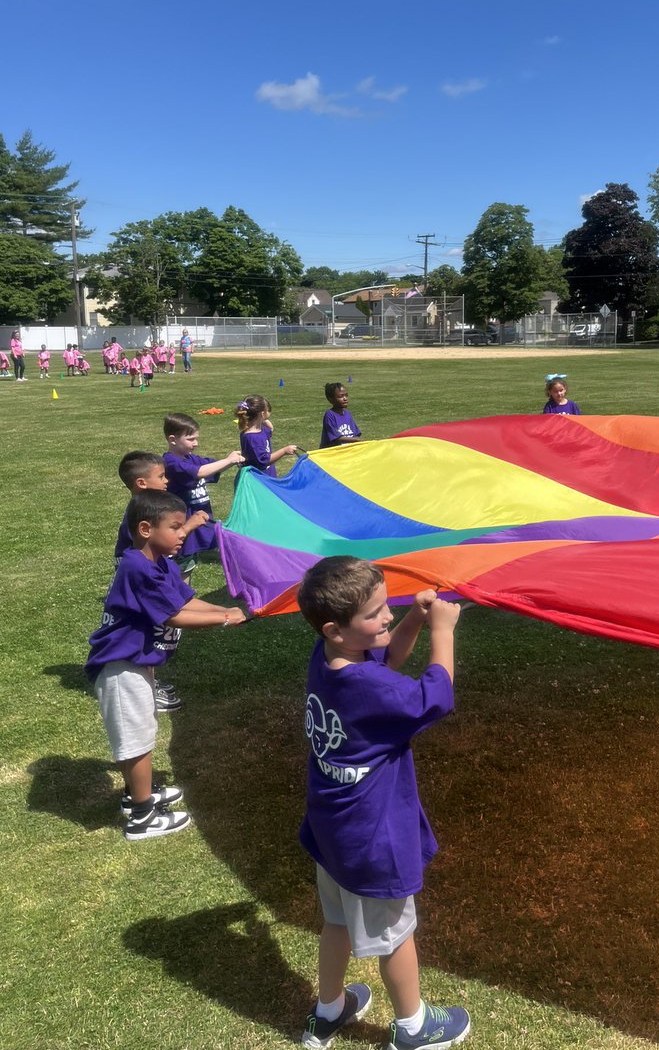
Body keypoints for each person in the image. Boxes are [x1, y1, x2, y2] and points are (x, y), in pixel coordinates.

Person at [296, 556, 471, 1050]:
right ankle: (414, 1028)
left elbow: (387, 659)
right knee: (395, 935)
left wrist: (413, 615)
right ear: (336, 628)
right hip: (373, 841)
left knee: (336, 921)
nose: (386, 617)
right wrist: (442, 629)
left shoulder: (329, 659)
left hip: (333, 833)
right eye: (375, 614)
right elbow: (435, 698)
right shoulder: (367, 687)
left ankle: (329, 1010)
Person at [85, 490, 247, 840]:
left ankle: (137, 795)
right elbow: (173, 615)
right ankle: (141, 818)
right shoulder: (136, 566)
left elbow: (186, 599)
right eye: (175, 527)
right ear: (145, 528)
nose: (182, 534)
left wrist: (232, 610)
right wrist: (225, 618)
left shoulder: (159, 563)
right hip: (119, 667)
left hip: (136, 663)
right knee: (137, 740)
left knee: (143, 732)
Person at [114, 451, 212, 711]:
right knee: (148, 632)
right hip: (143, 578)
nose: (167, 480)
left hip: (148, 574)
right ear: (141, 484)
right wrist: (189, 525)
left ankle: (149, 680)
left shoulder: (146, 510)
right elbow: (160, 541)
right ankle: (146, 686)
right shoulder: (141, 517)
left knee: (153, 630)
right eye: (161, 476)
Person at [162, 412, 244, 577]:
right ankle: (176, 598)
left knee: (189, 563)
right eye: (191, 439)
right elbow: (200, 472)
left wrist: (235, 461)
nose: (196, 443)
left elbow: (212, 465)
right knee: (181, 565)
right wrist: (228, 460)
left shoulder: (190, 458)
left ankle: (180, 597)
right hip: (184, 523)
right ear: (172, 439)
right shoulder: (171, 462)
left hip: (198, 522)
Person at [237, 394, 298, 477]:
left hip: (267, 476)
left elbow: (270, 430)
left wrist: (264, 421)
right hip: (259, 479)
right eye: (266, 418)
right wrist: (284, 451)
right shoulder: (252, 438)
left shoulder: (259, 430)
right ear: (262, 414)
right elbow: (264, 461)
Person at [320, 383, 362, 448]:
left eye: (346, 395)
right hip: (332, 453)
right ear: (331, 399)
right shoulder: (330, 414)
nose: (345, 398)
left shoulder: (347, 414)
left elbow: (355, 434)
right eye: (341, 396)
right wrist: (356, 440)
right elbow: (336, 437)